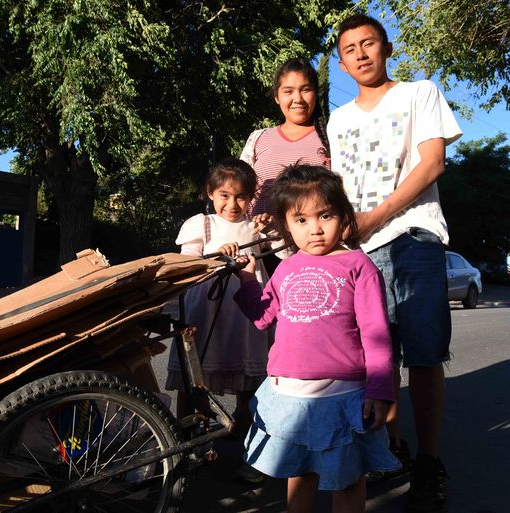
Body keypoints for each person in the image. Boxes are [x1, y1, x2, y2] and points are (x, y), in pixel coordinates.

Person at [327, 13, 463, 513]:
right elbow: (339, 186)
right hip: (358, 249)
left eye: (369, 44)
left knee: (425, 355)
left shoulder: (418, 93)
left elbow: (433, 163)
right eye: (350, 49)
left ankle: (429, 462)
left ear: (387, 49)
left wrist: (376, 216)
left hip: (413, 237)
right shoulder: (339, 119)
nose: (361, 54)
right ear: (341, 64)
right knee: (373, 361)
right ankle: (392, 449)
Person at [233, 164, 400, 513]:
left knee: (349, 478)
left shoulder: (359, 266)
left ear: (343, 216)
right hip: (289, 396)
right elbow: (263, 316)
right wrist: (248, 280)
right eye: (301, 220)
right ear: (286, 224)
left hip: (343, 397)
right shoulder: (287, 267)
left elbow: (376, 335)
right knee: (301, 472)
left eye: (325, 215)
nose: (316, 229)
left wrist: (381, 391)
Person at [165, 158, 271, 441]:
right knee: (195, 375)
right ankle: (185, 435)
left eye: (241, 197)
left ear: (250, 198)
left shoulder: (255, 227)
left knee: (247, 377)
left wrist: (270, 231)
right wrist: (215, 258)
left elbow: (284, 254)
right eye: (224, 195)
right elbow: (185, 264)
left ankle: (245, 433)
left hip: (245, 311)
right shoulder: (202, 224)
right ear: (210, 193)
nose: (232, 204)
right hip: (206, 310)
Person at [240, 57, 332, 274]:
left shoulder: (330, 138)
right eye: (288, 91)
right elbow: (238, 187)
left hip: (311, 250)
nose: (297, 98)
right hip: (258, 252)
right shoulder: (259, 138)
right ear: (276, 97)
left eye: (305, 90)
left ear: (316, 94)